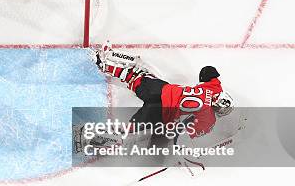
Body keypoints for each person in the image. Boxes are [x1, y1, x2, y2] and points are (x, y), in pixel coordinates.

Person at [92, 42, 234, 139]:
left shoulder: (215, 88)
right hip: (162, 113)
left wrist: (208, 78)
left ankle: (104, 63)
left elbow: (207, 71)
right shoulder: (209, 119)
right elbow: (190, 135)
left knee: (137, 76)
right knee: (130, 128)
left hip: (162, 91)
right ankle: (109, 137)